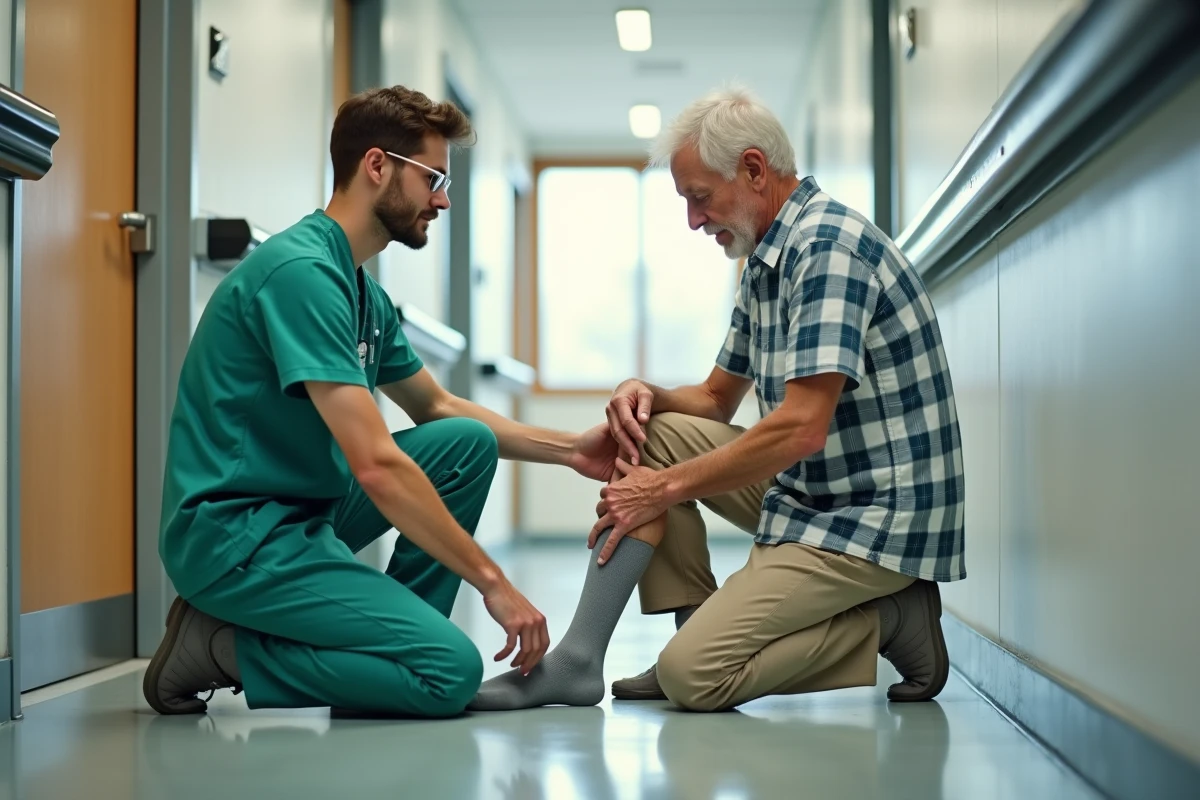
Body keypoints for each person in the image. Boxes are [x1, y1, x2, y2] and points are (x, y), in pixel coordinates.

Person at [468, 87, 966, 713]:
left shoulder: (826, 251)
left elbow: (801, 429)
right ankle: (584, 658)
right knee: (650, 429)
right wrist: (645, 392)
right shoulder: (765, 261)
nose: (693, 221)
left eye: (699, 198)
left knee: (693, 680)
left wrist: (663, 490)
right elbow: (711, 398)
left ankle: (894, 617)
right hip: (818, 491)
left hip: (875, 518)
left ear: (754, 170)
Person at [142, 85, 622, 717]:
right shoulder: (302, 276)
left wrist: (569, 450)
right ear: (376, 166)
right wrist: (494, 582)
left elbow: (438, 409)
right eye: (433, 179)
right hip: (235, 537)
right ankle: (218, 648)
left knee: (463, 445)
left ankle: (392, 651)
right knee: (449, 675)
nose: (443, 199)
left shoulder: (360, 290)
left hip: (302, 516)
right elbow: (374, 463)